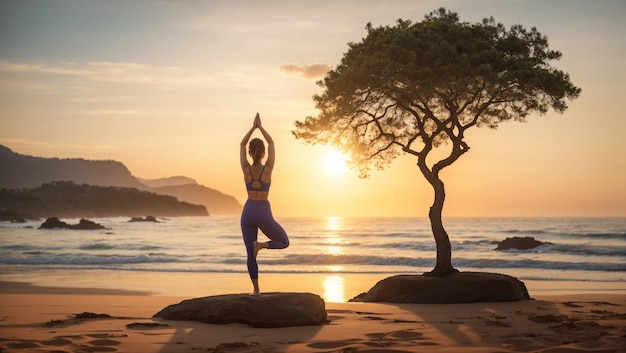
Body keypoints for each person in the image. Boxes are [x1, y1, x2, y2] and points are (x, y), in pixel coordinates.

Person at [240, 112, 289, 296]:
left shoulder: (246, 169)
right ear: (264, 154)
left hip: (247, 212)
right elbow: (272, 143)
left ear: (250, 153)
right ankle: (261, 245)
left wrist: (253, 128)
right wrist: (261, 128)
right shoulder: (268, 169)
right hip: (263, 211)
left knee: (249, 254)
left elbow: (242, 144)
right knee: (283, 241)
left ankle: (256, 290)